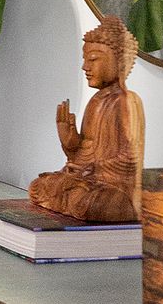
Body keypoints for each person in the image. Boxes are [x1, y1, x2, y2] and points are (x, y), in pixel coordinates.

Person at [29, 15, 145, 224]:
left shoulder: (127, 102)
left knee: (99, 204)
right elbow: (84, 152)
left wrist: (94, 168)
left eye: (93, 59)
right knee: (41, 186)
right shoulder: (95, 101)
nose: (85, 67)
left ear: (119, 62)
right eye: (85, 59)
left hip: (113, 186)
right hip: (86, 179)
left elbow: (131, 157)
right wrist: (71, 145)